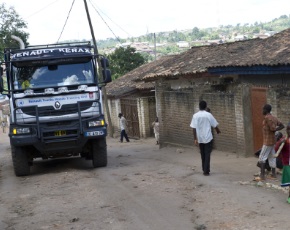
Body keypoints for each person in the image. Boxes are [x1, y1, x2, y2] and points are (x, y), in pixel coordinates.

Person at [254, 104, 284, 181]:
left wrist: (274, 130)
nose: (262, 111)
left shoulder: (268, 118)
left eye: (262, 109)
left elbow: (272, 128)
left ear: (266, 110)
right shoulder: (274, 118)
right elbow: (282, 126)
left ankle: (262, 176)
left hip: (267, 142)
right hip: (273, 141)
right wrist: (276, 130)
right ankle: (273, 175)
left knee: (262, 158)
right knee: (272, 157)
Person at [190, 100, 221, 176]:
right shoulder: (208, 115)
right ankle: (206, 171)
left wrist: (195, 139)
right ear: (205, 106)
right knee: (207, 154)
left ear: (199, 107)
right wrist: (218, 130)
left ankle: (204, 168)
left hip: (200, 138)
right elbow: (214, 124)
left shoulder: (195, 115)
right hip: (208, 137)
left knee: (202, 154)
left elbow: (193, 128)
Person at [274, 122, 290, 203]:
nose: (289, 131)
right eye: (288, 129)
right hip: (288, 164)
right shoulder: (284, 140)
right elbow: (276, 149)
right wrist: (281, 157)